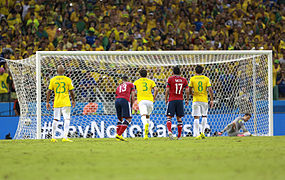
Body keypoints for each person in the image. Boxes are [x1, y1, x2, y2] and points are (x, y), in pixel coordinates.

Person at [46, 65, 76, 142]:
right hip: (65, 102)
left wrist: (47, 102)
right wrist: (73, 100)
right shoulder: (68, 79)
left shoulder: (52, 80)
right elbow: (72, 91)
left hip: (57, 102)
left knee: (55, 119)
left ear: (57, 71)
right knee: (67, 118)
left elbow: (49, 91)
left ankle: (53, 137)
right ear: (64, 71)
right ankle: (65, 137)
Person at [189, 65, 214, 139]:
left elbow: (189, 88)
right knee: (204, 116)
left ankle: (196, 134)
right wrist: (212, 99)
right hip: (204, 100)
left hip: (196, 100)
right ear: (202, 71)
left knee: (196, 117)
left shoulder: (192, 78)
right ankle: (202, 133)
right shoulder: (206, 79)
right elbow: (210, 89)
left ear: (195, 71)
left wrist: (191, 94)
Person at [165, 66, 190, 140]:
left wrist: (166, 99)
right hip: (180, 100)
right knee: (179, 118)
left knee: (169, 117)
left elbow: (167, 90)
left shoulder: (170, 79)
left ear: (173, 72)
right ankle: (179, 136)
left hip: (172, 99)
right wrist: (187, 99)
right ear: (180, 72)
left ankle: (169, 131)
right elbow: (187, 90)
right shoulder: (184, 80)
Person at [134, 69, 158, 140]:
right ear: (146, 74)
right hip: (150, 100)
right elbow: (156, 89)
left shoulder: (136, 82)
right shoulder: (151, 81)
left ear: (139, 74)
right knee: (147, 116)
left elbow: (132, 90)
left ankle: (145, 125)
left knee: (143, 116)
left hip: (141, 100)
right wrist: (154, 97)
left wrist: (136, 95)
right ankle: (145, 135)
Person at [115, 75, 135, 142]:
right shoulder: (130, 84)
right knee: (128, 118)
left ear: (122, 80)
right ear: (128, 79)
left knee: (120, 119)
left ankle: (118, 135)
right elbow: (132, 95)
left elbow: (116, 95)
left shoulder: (119, 86)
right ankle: (119, 134)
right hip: (125, 99)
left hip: (117, 100)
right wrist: (132, 104)